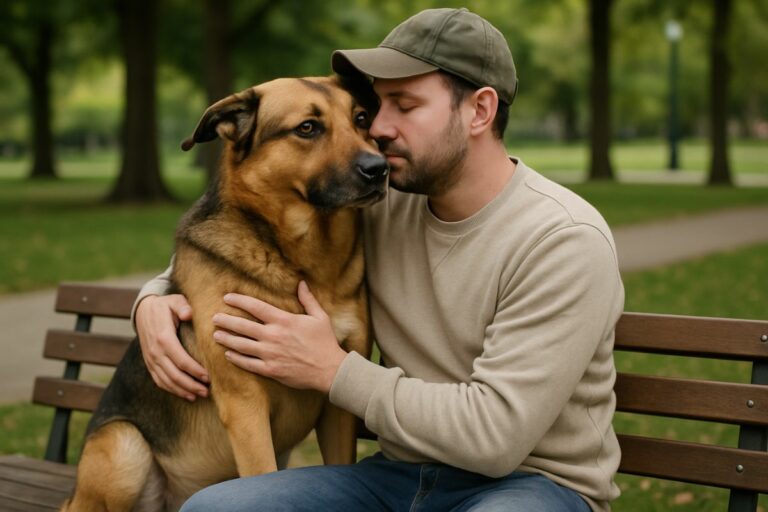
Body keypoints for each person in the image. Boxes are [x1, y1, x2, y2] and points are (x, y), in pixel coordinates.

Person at [134, 8, 624, 512]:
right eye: (374, 109)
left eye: (404, 106)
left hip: (531, 485)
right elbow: (237, 252)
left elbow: (494, 438)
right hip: (395, 480)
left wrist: (334, 370)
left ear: (479, 111)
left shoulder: (562, 239)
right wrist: (153, 300)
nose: (377, 131)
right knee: (217, 509)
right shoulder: (379, 202)